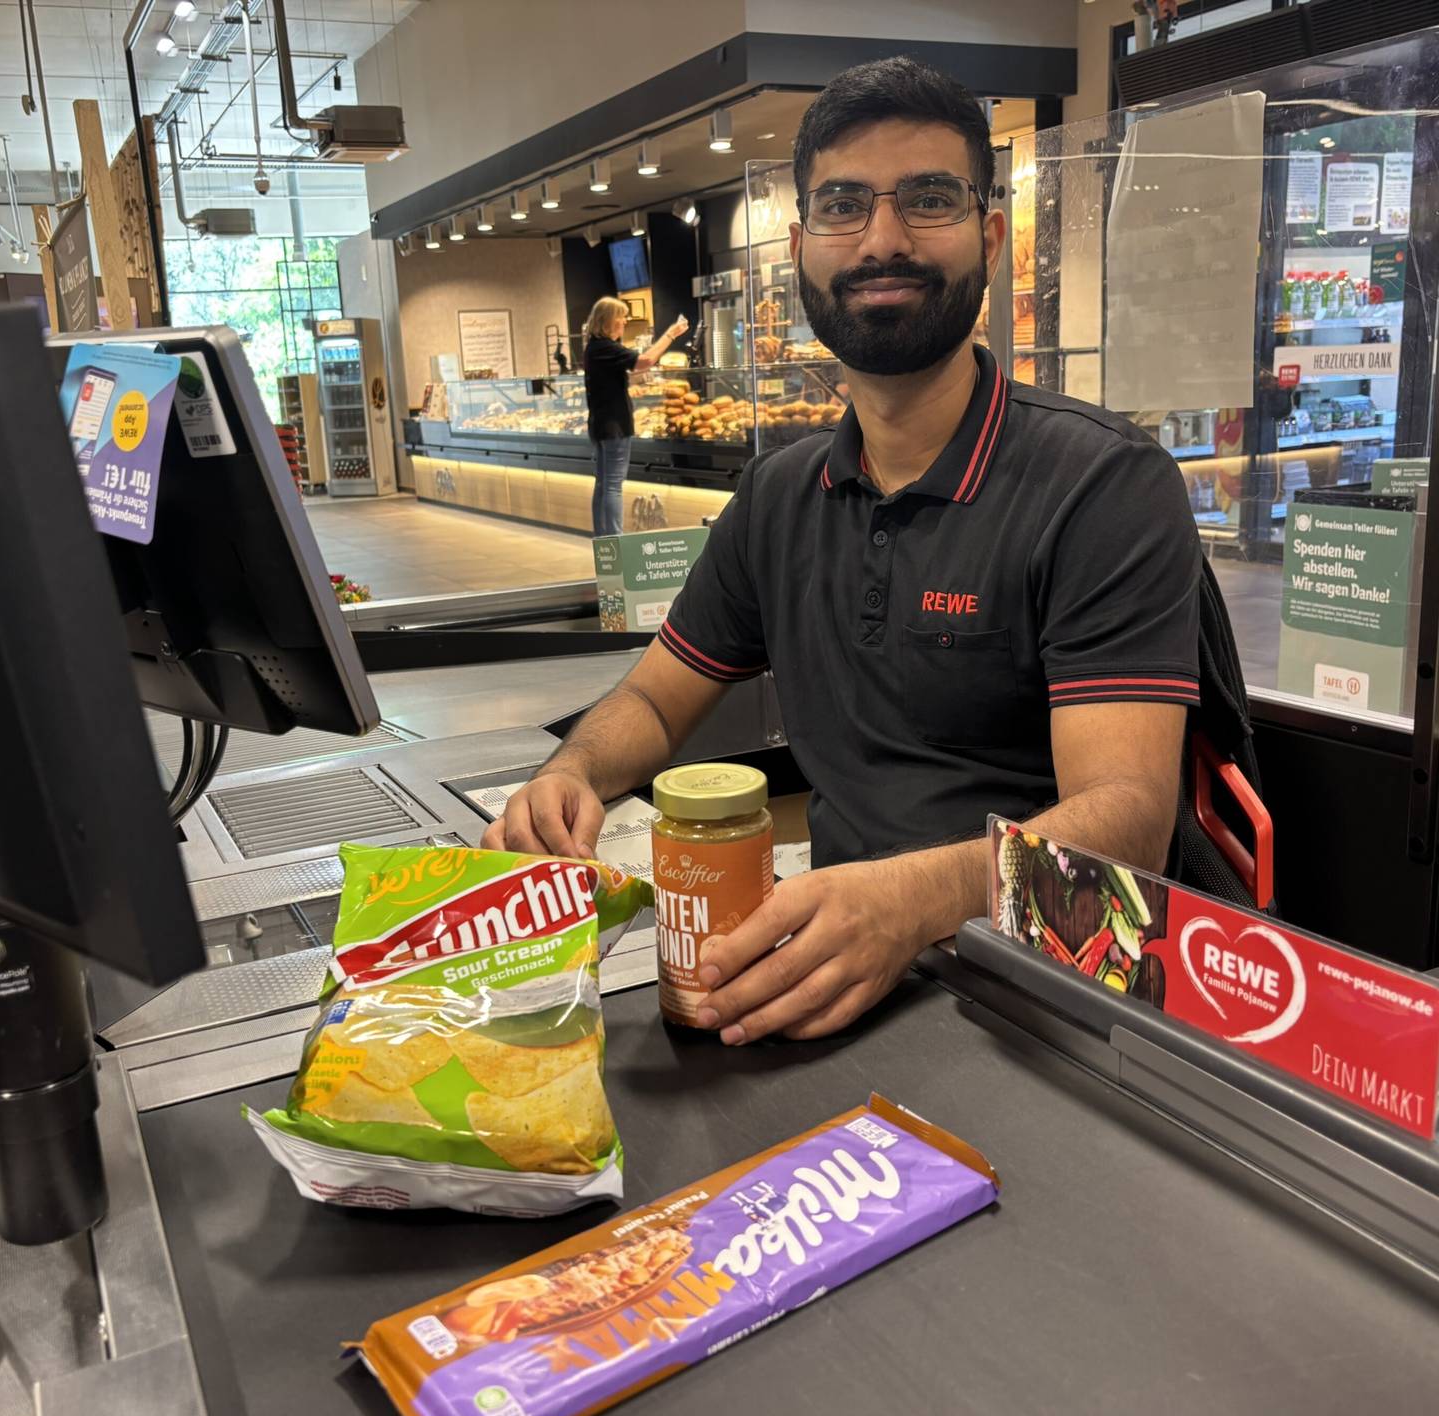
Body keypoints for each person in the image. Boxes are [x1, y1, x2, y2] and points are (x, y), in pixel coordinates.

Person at [492, 58, 1200, 1043]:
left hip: (1045, 1009)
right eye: (843, 206)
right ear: (801, 249)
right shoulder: (779, 496)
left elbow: (1127, 828)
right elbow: (654, 702)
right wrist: (572, 773)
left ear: (990, 237)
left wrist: (910, 902)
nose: (882, 239)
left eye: (929, 199)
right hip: (830, 989)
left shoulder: (1102, 485)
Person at [582, 297, 689, 535]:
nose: (625, 321)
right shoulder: (605, 347)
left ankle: (604, 540)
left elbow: (618, 376)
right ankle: (615, 539)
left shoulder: (594, 347)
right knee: (613, 485)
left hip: (600, 424)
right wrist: (671, 334)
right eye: (621, 317)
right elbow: (645, 361)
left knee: (603, 483)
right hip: (614, 425)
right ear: (609, 320)